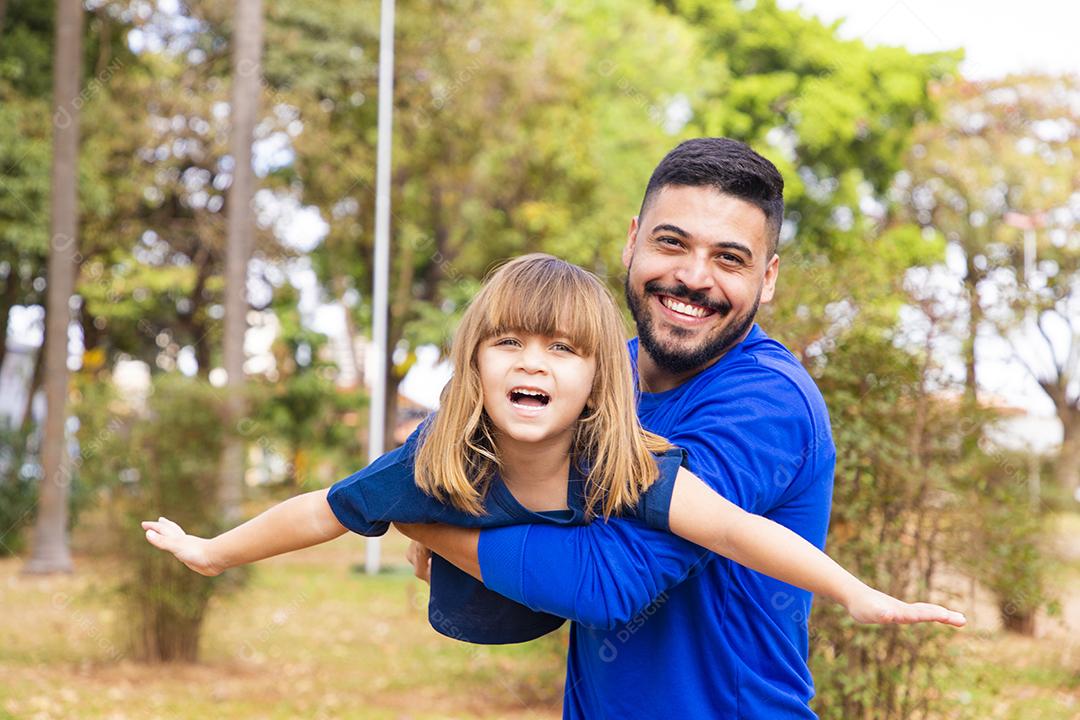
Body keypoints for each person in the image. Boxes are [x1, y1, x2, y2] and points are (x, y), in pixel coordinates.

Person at [142, 255, 963, 653]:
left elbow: (739, 531)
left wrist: (855, 593)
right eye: (509, 343)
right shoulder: (435, 459)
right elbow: (317, 512)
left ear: (601, 377)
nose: (532, 362)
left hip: (553, 579)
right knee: (406, 508)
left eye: (562, 350)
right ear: (475, 365)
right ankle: (447, 554)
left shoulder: (622, 458)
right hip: (475, 611)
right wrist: (211, 552)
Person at [396, 138, 921, 718]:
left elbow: (604, 583)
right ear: (632, 242)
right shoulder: (594, 377)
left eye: (729, 258)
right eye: (672, 243)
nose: (694, 277)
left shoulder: (766, 403)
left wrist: (421, 523)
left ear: (767, 279)